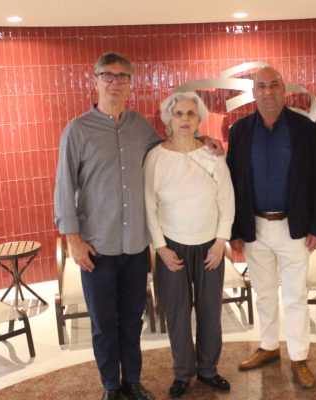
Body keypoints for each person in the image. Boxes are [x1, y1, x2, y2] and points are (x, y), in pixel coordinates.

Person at [54, 53, 221, 400]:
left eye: (122, 76)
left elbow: (172, 146)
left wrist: (203, 140)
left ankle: (132, 380)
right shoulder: (77, 130)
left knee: (132, 319)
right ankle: (111, 386)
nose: (114, 82)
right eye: (107, 75)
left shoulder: (140, 126)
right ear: (95, 80)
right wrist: (73, 238)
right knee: (104, 323)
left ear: (130, 83)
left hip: (134, 245)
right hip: (97, 245)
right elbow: (64, 186)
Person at [226, 67, 316, 389]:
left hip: (293, 226)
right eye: (261, 86)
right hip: (254, 226)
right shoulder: (240, 131)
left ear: (284, 90)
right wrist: (234, 230)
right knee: (265, 292)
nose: (268, 92)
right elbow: (232, 182)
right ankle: (269, 346)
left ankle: (299, 357)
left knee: (295, 295)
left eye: (274, 85)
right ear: (253, 92)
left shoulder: (305, 129)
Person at [144, 92, 235, 398]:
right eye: (178, 113)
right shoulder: (156, 157)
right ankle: (183, 373)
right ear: (168, 119)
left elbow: (226, 200)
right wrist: (161, 248)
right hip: (172, 248)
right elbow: (149, 206)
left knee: (210, 311)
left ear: (199, 120)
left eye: (190, 114)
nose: (184, 119)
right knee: (177, 312)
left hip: (210, 247)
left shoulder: (212, 155)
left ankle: (208, 370)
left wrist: (220, 242)